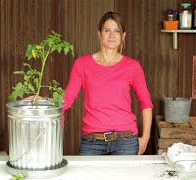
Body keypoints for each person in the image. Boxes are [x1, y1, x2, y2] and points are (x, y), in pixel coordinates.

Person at [26, 11, 153, 155]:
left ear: (123, 36)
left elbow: (146, 103)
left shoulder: (132, 66)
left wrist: (146, 137)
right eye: (107, 30)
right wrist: (43, 101)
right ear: (99, 34)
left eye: (117, 31)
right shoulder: (82, 64)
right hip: (92, 142)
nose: (112, 35)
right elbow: (67, 100)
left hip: (125, 141)